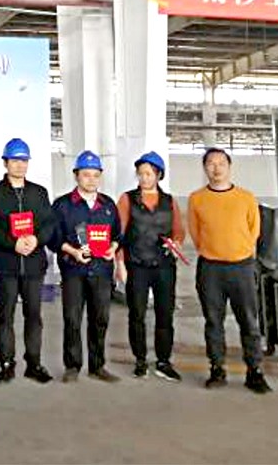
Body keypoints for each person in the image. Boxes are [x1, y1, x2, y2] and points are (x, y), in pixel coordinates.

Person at [188, 148, 272, 394]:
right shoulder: (197, 199)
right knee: (213, 321)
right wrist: (213, 250)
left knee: (249, 321)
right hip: (210, 269)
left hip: (241, 267)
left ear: (229, 166)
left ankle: (254, 372)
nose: (216, 168)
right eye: (211, 164)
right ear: (205, 168)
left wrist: (238, 251)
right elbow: (195, 233)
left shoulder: (246, 198)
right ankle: (217, 369)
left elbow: (253, 231)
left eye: (221, 163)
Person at [0, 138, 56, 384]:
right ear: (5, 163)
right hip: (6, 264)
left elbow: (49, 223)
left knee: (34, 315)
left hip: (34, 265)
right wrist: (12, 243)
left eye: (24, 160)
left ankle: (34, 363)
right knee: (6, 315)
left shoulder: (39, 193)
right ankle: (6, 364)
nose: (19, 165)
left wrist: (37, 239)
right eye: (15, 160)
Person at [52, 150, 124, 384]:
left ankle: (97, 366)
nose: (91, 179)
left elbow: (118, 235)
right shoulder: (62, 205)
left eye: (95, 175)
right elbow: (53, 238)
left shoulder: (108, 205)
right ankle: (72, 366)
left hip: (102, 271)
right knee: (72, 319)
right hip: (73, 270)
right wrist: (73, 251)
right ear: (76, 176)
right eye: (86, 174)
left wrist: (113, 247)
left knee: (100, 319)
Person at [116, 151, 185, 382]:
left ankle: (163, 361)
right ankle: (140, 360)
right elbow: (119, 234)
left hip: (164, 266)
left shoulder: (169, 202)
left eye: (149, 173)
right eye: (141, 173)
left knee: (165, 314)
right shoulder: (127, 200)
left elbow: (178, 231)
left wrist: (176, 243)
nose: (144, 178)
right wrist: (120, 264)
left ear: (158, 175)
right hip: (137, 265)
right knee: (137, 314)